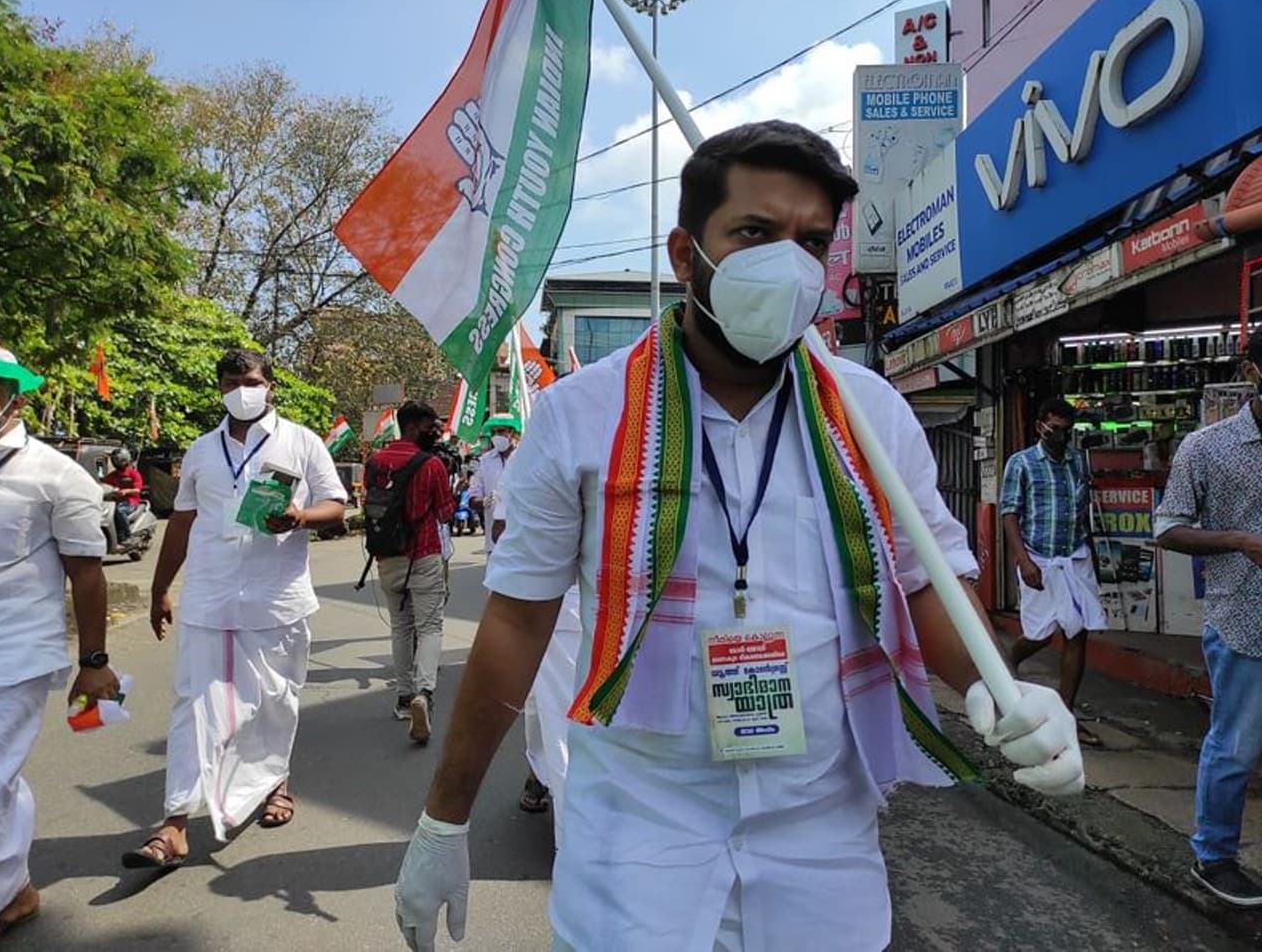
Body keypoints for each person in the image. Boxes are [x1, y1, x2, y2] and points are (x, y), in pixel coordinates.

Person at [392, 121, 1083, 952]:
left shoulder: (871, 414)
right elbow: (516, 621)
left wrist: (1000, 689)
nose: (788, 264)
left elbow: (927, 579)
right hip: (636, 834)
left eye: (812, 242)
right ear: (687, 255)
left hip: (823, 833)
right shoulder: (582, 416)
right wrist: (444, 818)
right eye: (755, 233)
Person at [123, 349, 347, 870]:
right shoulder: (202, 450)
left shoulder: (302, 441)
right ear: (220, 387)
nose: (241, 389)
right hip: (210, 593)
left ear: (270, 386)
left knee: (274, 702)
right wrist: (161, 588)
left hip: (277, 599)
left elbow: (336, 505)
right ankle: (175, 823)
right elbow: (181, 523)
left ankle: (275, 781)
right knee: (193, 705)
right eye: (231, 381)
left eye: (251, 380)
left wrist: (300, 516)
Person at [0, 340, 118, 943]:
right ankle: (15, 892)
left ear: (13, 400)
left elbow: (86, 572)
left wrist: (94, 664)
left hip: (15, 652)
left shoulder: (54, 474)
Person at [1154, 328, 1262, 907]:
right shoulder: (1206, 447)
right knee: (1237, 744)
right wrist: (1239, 541)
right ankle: (1214, 856)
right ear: (1252, 371)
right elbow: (1167, 528)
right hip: (1245, 620)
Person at [999, 397, 1107, 745]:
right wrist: (1023, 560)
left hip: (1074, 556)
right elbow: (1009, 513)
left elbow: (1081, 511)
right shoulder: (1022, 463)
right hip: (1038, 557)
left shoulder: (1077, 462)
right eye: (1054, 430)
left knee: (1077, 632)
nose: (1060, 437)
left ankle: (1066, 715)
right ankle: (1000, 668)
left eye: (1066, 430)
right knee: (1041, 633)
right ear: (1040, 428)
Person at [367, 402, 455, 742]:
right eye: (431, 425)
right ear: (415, 425)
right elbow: (446, 513)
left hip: (387, 558)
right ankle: (425, 693)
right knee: (430, 626)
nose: (436, 431)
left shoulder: (375, 461)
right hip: (424, 555)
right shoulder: (431, 465)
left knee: (400, 627)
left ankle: (404, 698)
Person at [470, 414, 519, 551]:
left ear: (512, 432)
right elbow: (473, 496)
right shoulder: (485, 461)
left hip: (521, 538)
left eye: (501, 431)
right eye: (494, 432)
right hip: (495, 539)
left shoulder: (524, 457)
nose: (497, 435)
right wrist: (483, 501)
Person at [103, 446, 143, 546]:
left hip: (131, 501)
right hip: (114, 502)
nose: (115, 462)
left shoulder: (133, 474)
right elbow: (103, 483)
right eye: (114, 460)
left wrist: (126, 491)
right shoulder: (112, 475)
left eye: (118, 460)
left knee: (119, 510)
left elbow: (137, 490)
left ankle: (127, 536)